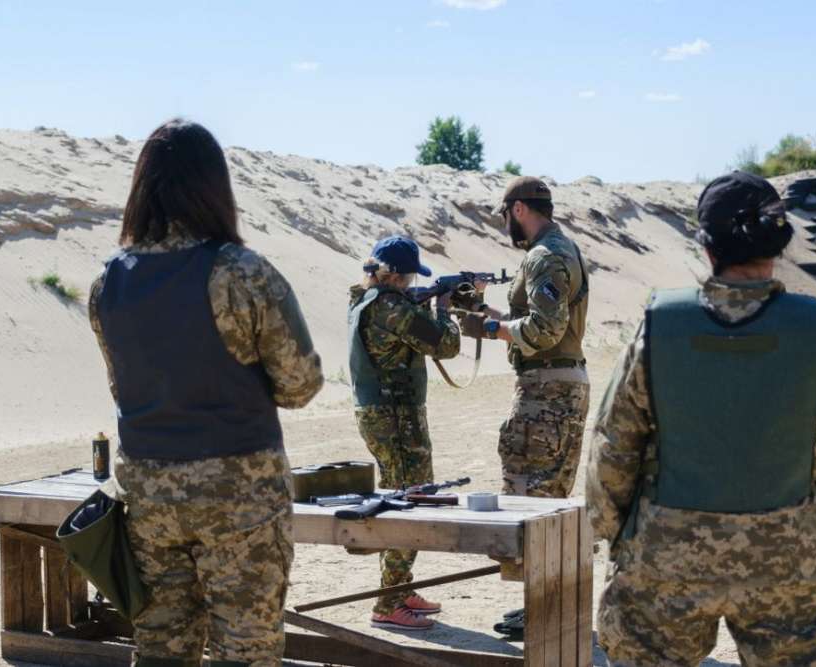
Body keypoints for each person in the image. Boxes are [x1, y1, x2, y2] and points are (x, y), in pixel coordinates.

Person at [588, 171, 816, 666]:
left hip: (665, 555)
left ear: (707, 247)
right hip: (788, 558)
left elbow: (613, 451)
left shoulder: (658, 329)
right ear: (778, 244)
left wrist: (619, 541)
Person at [88, 119, 323, 667]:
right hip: (239, 494)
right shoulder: (240, 272)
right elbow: (300, 385)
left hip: (148, 495)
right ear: (214, 187)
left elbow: (124, 385)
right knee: (247, 652)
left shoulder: (109, 283)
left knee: (160, 650)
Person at [458, 177, 589, 637]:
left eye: (505, 216)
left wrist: (492, 331)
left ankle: (545, 610)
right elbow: (539, 323)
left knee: (529, 500)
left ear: (518, 209)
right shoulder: (557, 248)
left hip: (547, 389)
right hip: (557, 384)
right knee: (545, 498)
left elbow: (543, 330)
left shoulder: (544, 255)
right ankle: (547, 606)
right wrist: (481, 316)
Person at [348, 235, 460, 630]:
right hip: (396, 415)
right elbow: (446, 346)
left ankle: (398, 588)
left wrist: (426, 300)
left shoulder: (365, 300)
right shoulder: (391, 308)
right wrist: (444, 307)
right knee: (409, 499)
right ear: (396, 276)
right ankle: (388, 603)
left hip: (383, 412)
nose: (414, 283)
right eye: (410, 278)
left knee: (403, 494)